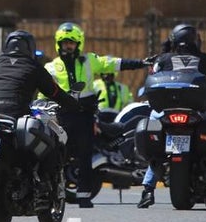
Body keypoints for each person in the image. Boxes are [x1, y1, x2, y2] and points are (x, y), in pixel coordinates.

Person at [137, 23, 206, 210]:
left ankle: (148, 190)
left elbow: (151, 78)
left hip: (165, 112)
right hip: (199, 112)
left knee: (160, 149)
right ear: (195, 40)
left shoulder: (163, 59)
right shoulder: (204, 61)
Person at [46, 22, 147, 208]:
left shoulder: (88, 61)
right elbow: (41, 91)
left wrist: (140, 63)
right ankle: (54, 194)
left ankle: (84, 196)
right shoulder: (51, 67)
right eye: (65, 43)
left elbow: (112, 63)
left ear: (79, 44)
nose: (68, 46)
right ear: (58, 44)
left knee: (85, 156)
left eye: (72, 43)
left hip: (84, 116)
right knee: (57, 156)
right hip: (61, 117)